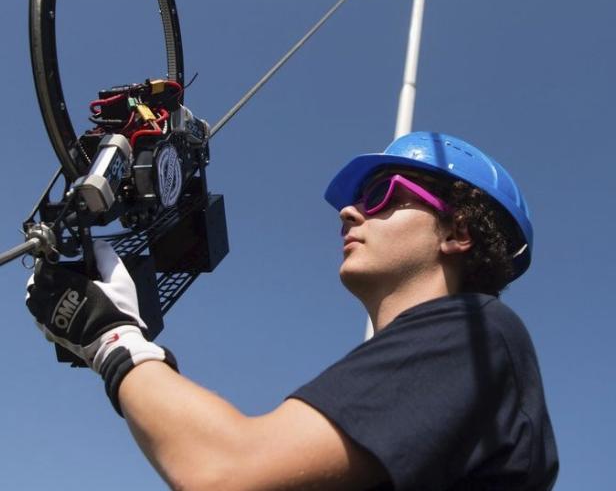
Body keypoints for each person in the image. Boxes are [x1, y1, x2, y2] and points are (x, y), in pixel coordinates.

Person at [26, 131, 558, 490]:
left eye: (380, 194)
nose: (348, 211)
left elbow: (226, 470)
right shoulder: (449, 367)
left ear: (459, 231)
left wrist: (113, 339)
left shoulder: (478, 334)